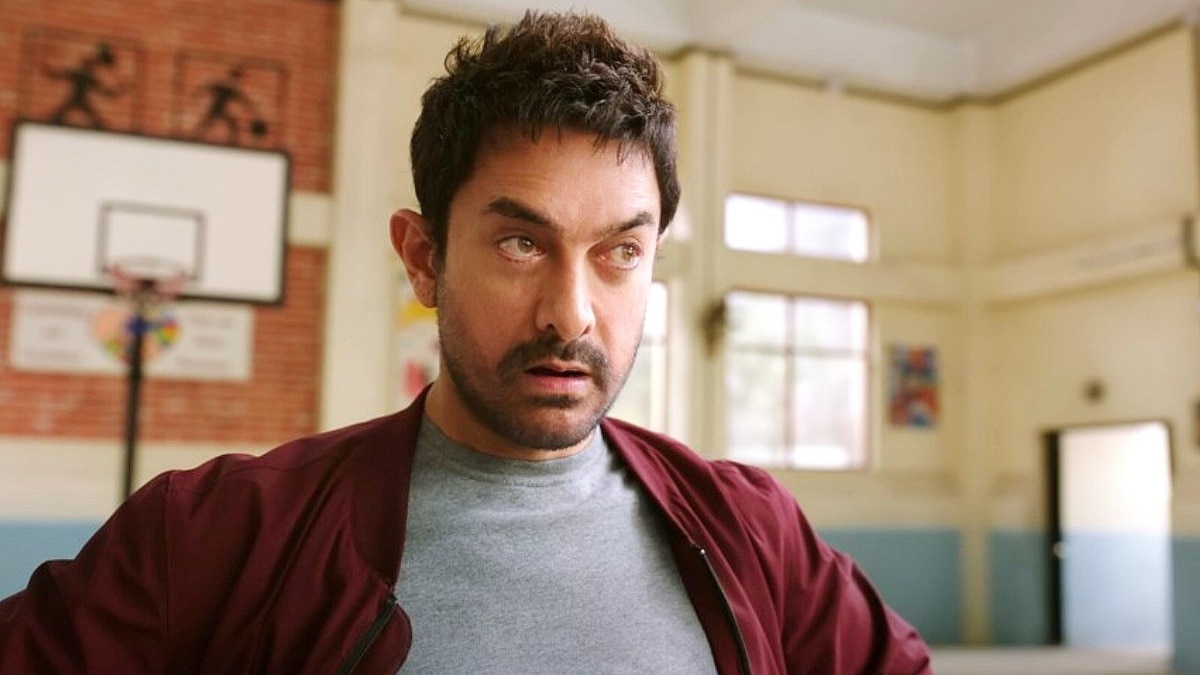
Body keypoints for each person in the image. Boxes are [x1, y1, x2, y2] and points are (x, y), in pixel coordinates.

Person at [0, 11, 932, 674]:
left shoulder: (752, 531)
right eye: (522, 243)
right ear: (423, 257)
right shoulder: (219, 536)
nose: (571, 314)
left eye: (619, 252)